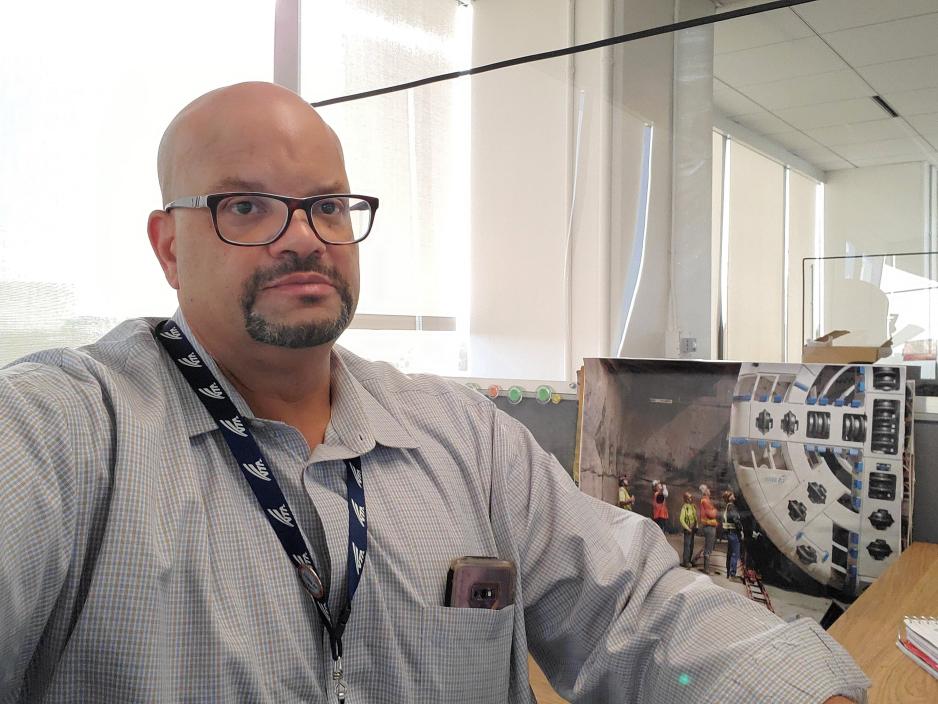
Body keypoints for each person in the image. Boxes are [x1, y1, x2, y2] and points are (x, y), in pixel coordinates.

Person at [0, 82, 864, 704]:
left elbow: (632, 613)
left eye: (328, 205)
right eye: (248, 207)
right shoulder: (66, 434)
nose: (303, 238)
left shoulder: (465, 437)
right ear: (169, 246)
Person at [699, 483, 719, 576]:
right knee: (708, 548)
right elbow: (712, 514)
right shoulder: (705, 501)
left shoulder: (706, 500)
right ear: (705, 491)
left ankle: (706, 569)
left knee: (709, 547)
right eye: (708, 489)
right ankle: (706, 570)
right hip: (709, 526)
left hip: (709, 526)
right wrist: (715, 510)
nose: (709, 491)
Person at [722, 490, 743, 581]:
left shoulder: (727, 507)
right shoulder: (732, 507)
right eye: (732, 494)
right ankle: (732, 575)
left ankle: (728, 573)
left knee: (729, 554)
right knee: (735, 554)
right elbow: (735, 519)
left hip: (730, 533)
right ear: (730, 497)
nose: (734, 495)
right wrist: (741, 530)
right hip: (734, 533)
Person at [678, 491, 698, 568]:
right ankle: (685, 562)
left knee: (691, 545)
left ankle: (688, 561)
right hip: (688, 529)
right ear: (686, 499)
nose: (691, 499)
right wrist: (687, 528)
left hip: (693, 528)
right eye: (689, 497)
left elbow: (695, 517)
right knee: (687, 545)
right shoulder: (685, 507)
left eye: (691, 497)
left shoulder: (692, 506)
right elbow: (681, 519)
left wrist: (697, 526)